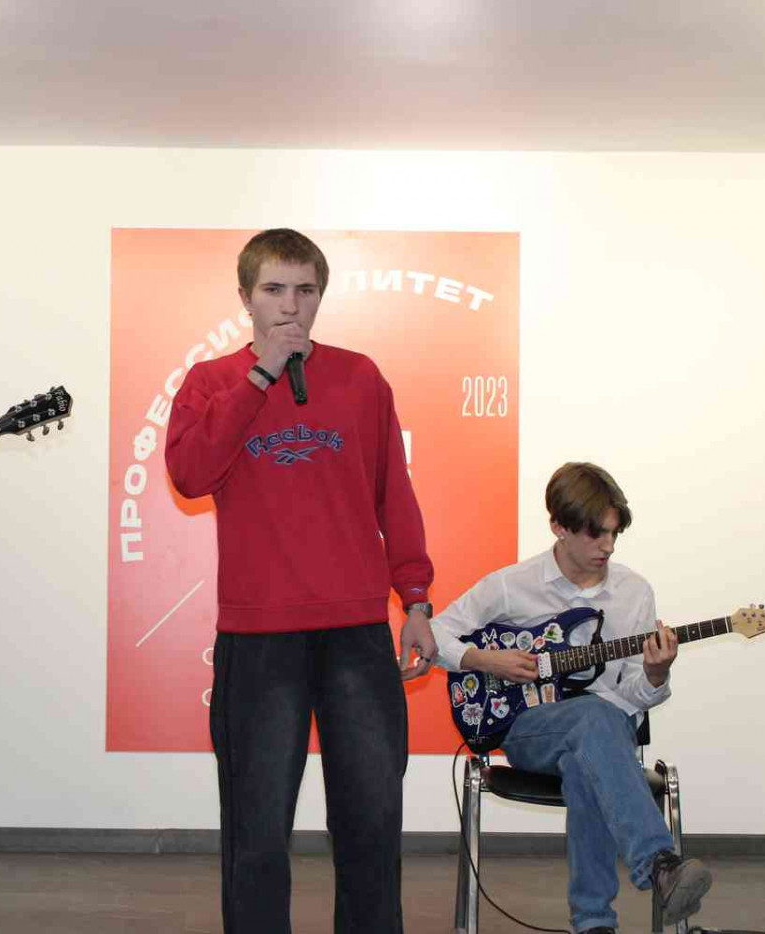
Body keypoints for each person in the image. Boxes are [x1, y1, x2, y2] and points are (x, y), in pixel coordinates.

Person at [165, 228, 437, 934]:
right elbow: (190, 475)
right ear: (246, 297)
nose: (291, 305)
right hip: (259, 638)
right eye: (274, 289)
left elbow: (395, 497)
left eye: (305, 290)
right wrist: (260, 377)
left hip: (356, 634)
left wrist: (416, 600)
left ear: (321, 296)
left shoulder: (361, 377)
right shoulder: (210, 383)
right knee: (256, 835)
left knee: (372, 825)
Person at [430, 462, 712, 933]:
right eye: (595, 534)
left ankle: (595, 922)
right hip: (530, 730)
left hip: (605, 735)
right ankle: (659, 864)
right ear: (559, 527)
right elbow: (435, 635)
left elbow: (634, 694)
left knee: (589, 752)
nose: (608, 546)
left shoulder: (634, 592)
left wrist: (655, 673)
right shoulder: (512, 585)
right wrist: (486, 660)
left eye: (614, 533)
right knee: (596, 719)